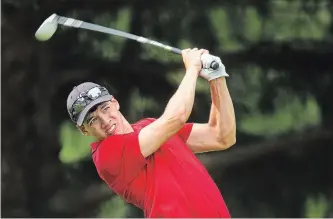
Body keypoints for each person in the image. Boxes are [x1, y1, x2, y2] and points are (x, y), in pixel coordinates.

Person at [66, 48, 236, 218]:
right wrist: (193, 68)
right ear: (84, 130)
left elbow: (221, 136)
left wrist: (216, 76)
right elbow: (176, 118)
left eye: (105, 108)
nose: (104, 120)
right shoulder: (106, 155)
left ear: (115, 103)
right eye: (92, 120)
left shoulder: (150, 126)